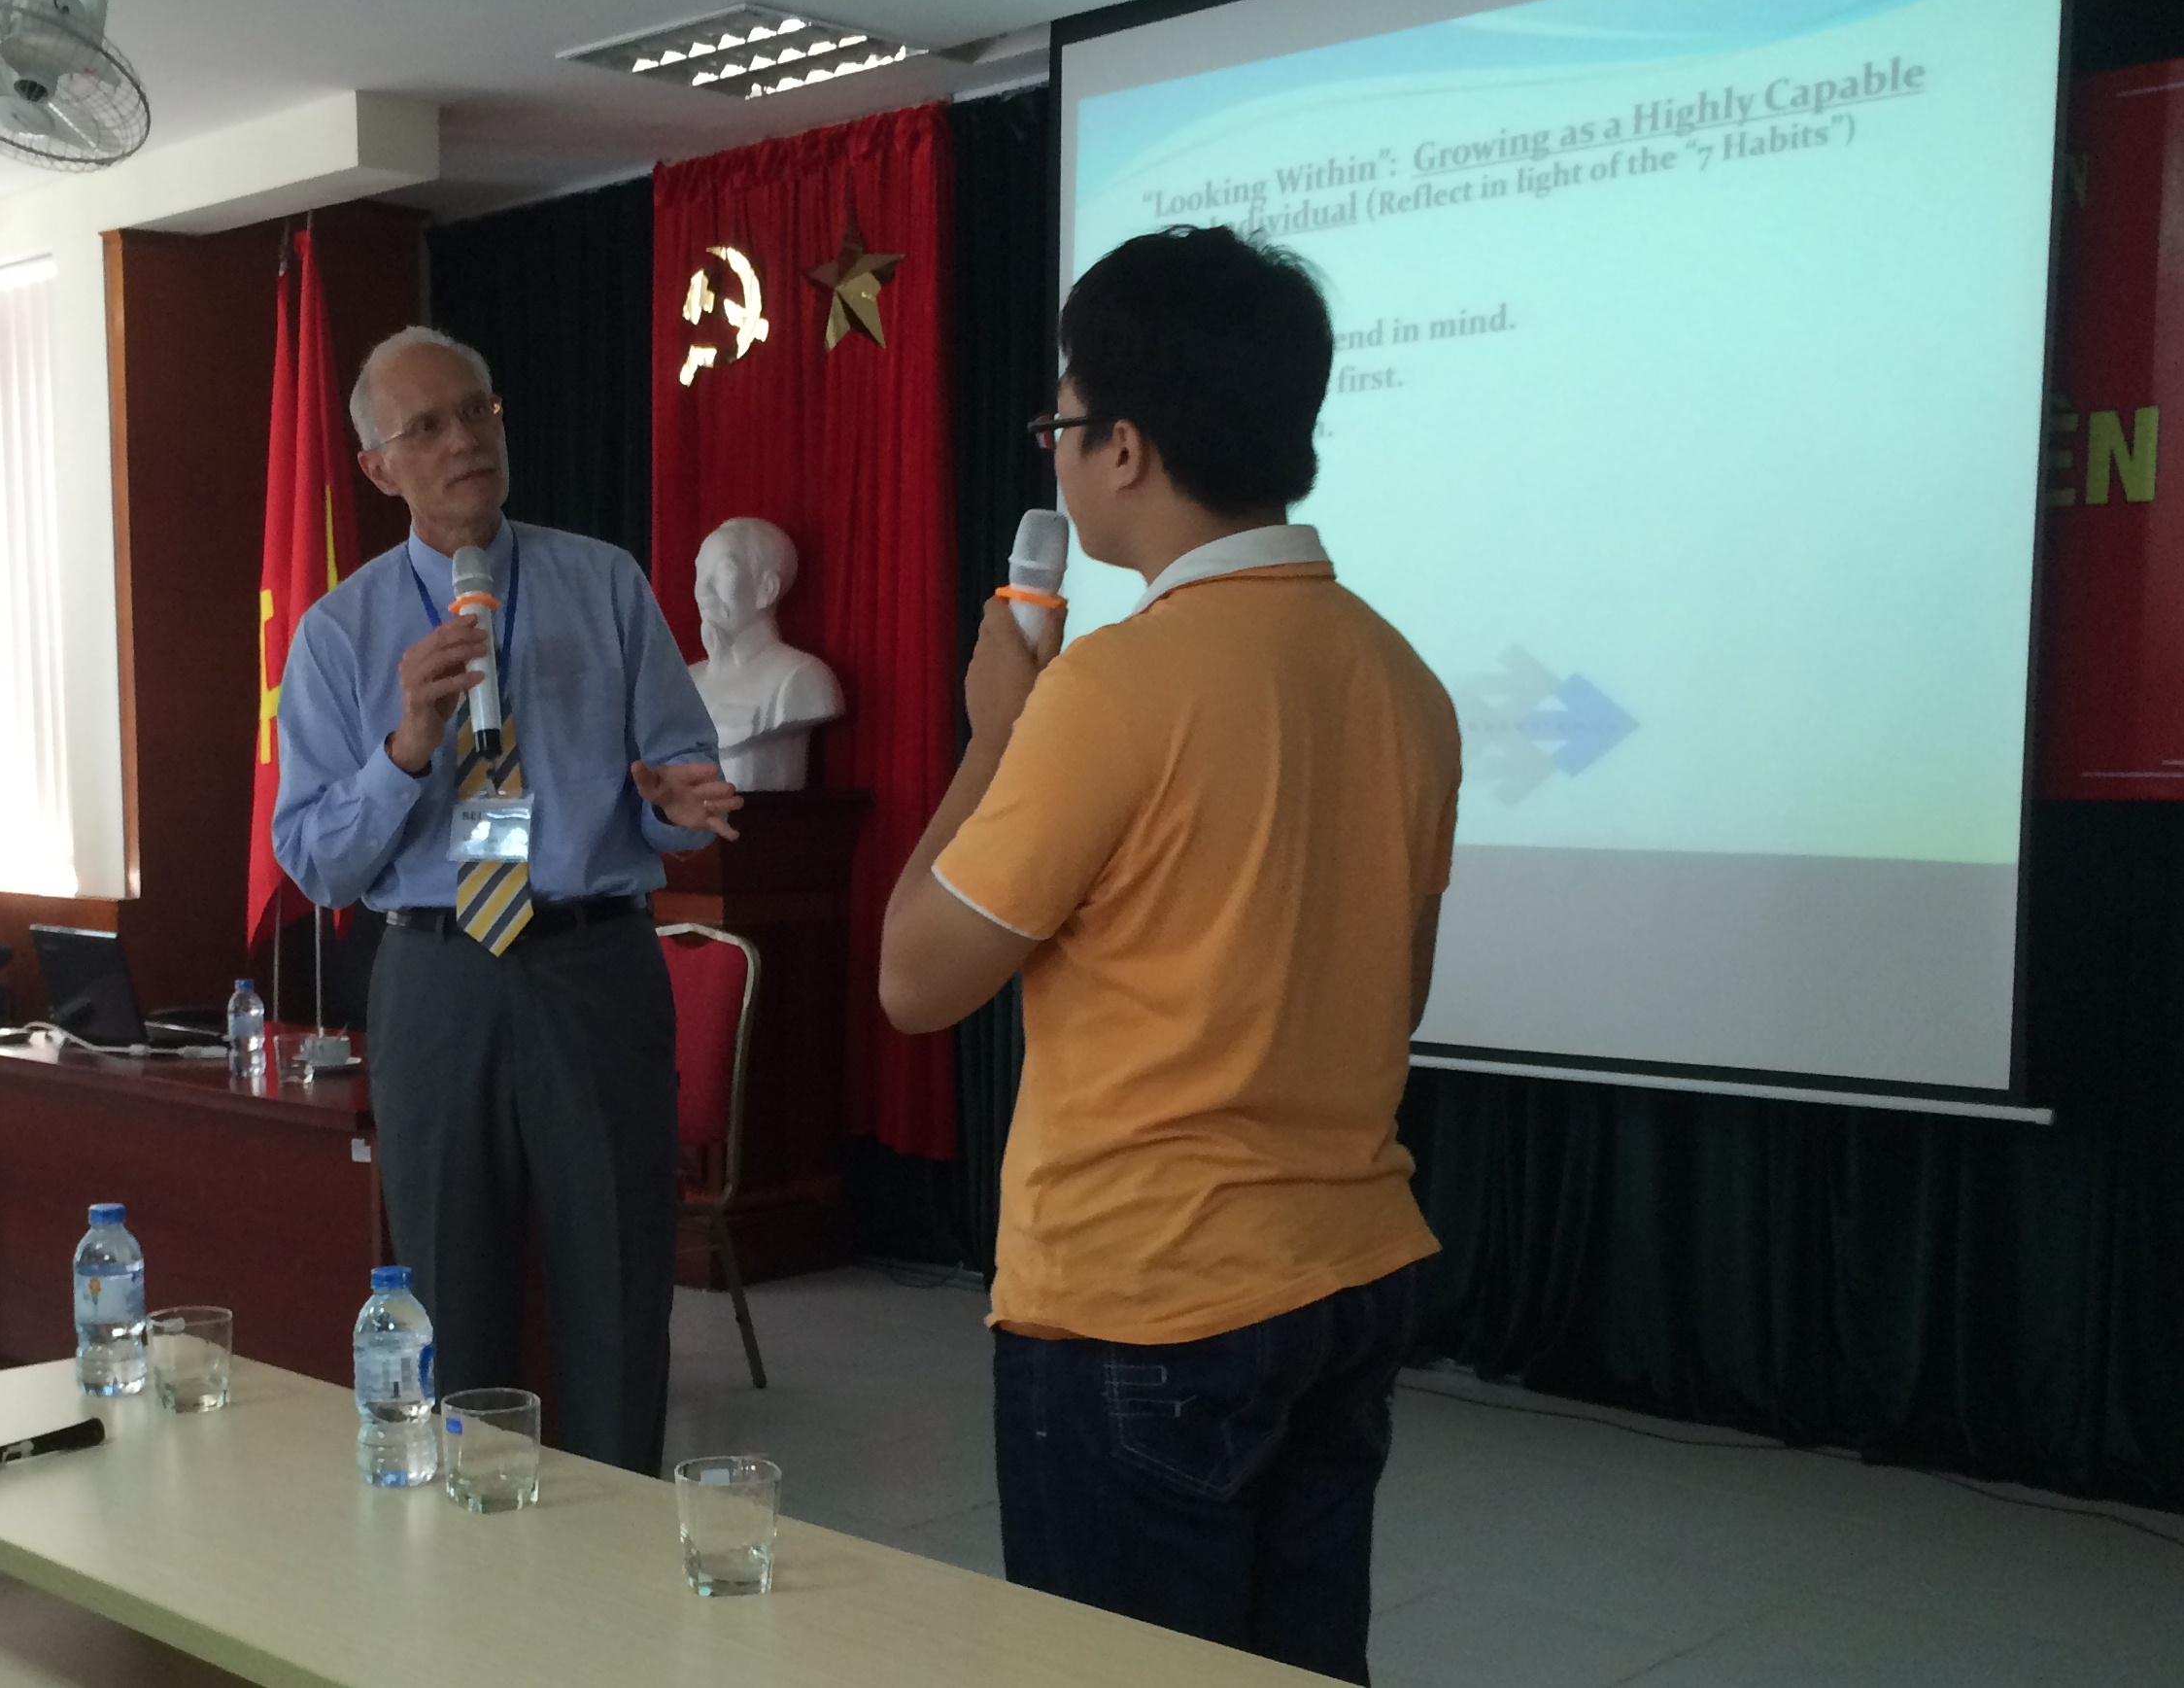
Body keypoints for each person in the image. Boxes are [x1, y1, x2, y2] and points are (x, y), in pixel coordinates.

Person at [877, 226, 1461, 1682]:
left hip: (1140, 1302)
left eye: (1062, 423)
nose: (1059, 454)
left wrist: (994, 738)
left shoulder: (1111, 690)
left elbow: (915, 978)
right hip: (1344, 1276)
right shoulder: (1403, 677)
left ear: (1124, 448)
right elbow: (1395, 994)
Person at [272, 325, 740, 1474]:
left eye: (477, 411)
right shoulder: (338, 634)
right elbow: (316, 861)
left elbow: (678, 775)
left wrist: (680, 805)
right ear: (379, 466)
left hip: (593, 964)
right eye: (426, 426)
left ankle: (619, 1548)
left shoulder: (606, 583)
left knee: (617, 1291)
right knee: (451, 1292)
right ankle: (468, 1550)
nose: (463, 441)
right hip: (438, 976)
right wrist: (406, 747)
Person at [688, 516, 844, 791]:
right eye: (700, 571)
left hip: (764, 814)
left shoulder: (800, 678)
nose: (703, 589)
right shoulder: (689, 681)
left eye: (723, 570)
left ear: (767, 589)